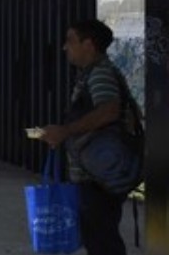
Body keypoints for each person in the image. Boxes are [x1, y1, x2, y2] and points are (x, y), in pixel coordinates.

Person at [39, 19, 132, 255]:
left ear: (88, 44)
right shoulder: (90, 74)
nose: (64, 47)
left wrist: (66, 131)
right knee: (97, 239)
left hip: (99, 178)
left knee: (102, 242)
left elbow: (109, 109)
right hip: (96, 175)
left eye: (70, 41)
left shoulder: (100, 73)